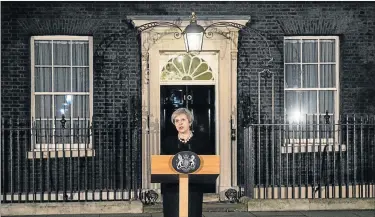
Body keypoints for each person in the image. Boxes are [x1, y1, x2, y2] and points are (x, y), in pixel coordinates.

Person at [160, 108, 214, 217]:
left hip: (193, 187)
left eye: (183, 120)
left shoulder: (202, 141)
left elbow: (209, 162)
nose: (180, 123)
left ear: (190, 122)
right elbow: (162, 164)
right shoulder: (168, 142)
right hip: (172, 188)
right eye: (176, 121)